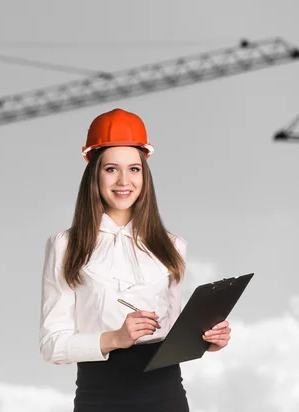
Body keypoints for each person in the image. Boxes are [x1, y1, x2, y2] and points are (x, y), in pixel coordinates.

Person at [38, 108, 232, 412]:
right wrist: (115, 338)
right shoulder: (66, 245)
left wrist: (207, 340)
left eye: (134, 169)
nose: (124, 180)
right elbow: (52, 346)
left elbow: (172, 333)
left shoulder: (171, 246)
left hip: (166, 395)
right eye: (111, 169)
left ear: (145, 174)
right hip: (99, 397)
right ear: (95, 174)